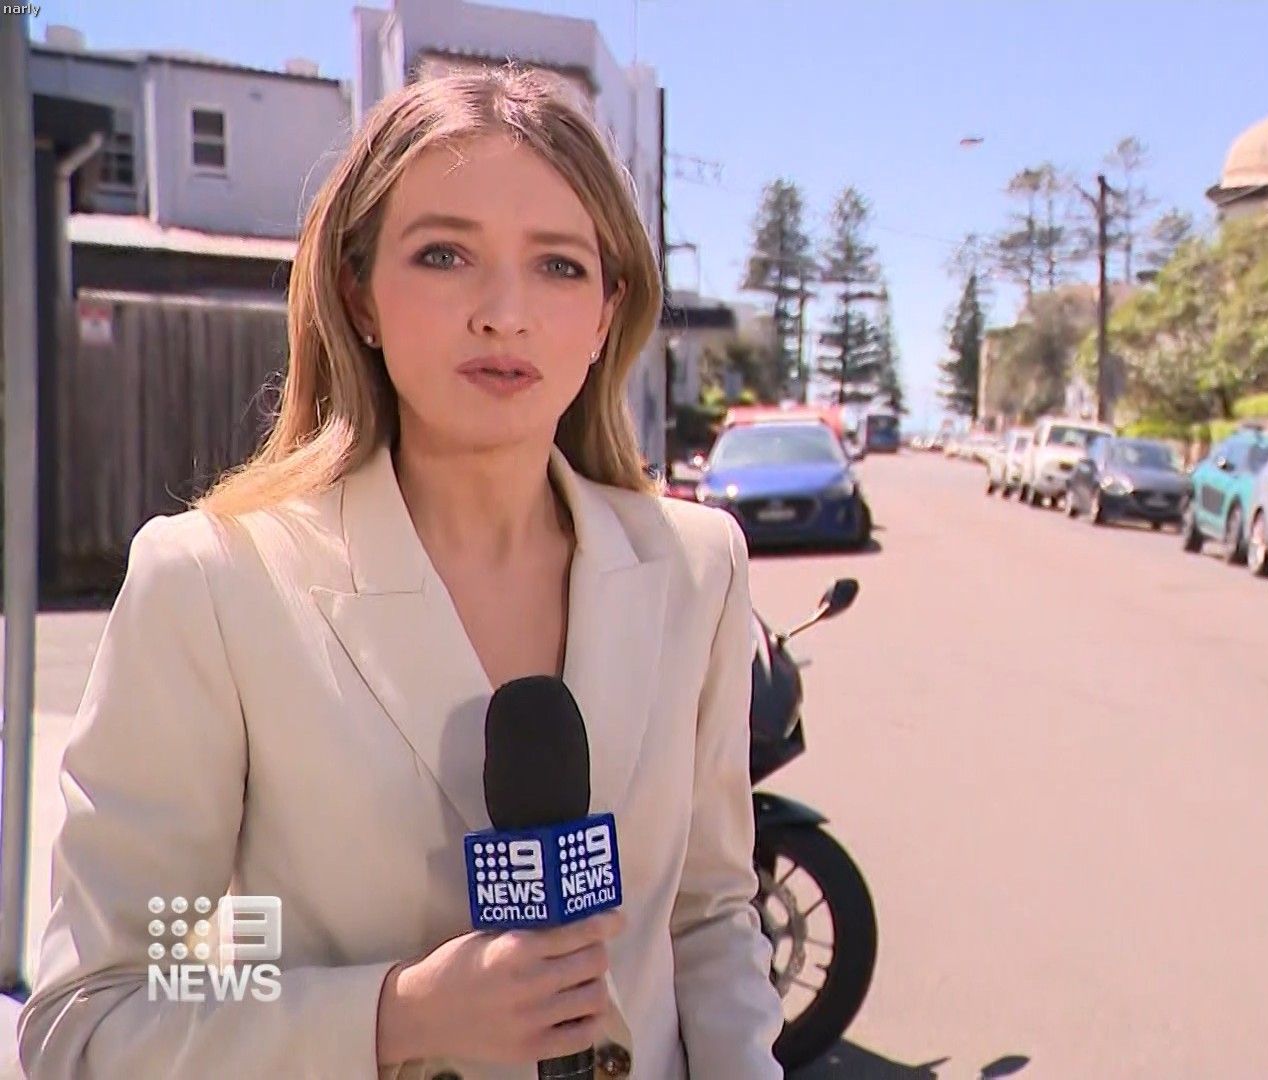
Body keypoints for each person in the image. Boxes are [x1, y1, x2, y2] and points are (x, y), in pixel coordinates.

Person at [17, 68, 784, 1079]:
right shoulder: (215, 585)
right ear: (359, 294)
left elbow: (708, 916)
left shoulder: (696, 567)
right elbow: (96, 1015)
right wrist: (391, 1018)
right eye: (443, 255)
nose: (503, 313)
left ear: (608, 313)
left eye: (558, 266)